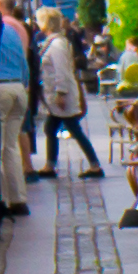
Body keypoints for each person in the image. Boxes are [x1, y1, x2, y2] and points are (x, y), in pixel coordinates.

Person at [31, 11, 101, 178]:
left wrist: (61, 93)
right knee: (51, 127)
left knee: (73, 129)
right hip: (55, 95)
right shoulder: (55, 42)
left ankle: (94, 165)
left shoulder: (56, 45)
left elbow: (61, 70)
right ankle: (50, 165)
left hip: (61, 95)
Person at [0, 5, 31, 223]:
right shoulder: (10, 30)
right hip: (18, 88)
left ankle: (2, 200)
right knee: (11, 147)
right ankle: (19, 199)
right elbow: (24, 63)